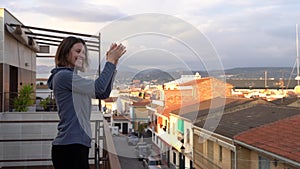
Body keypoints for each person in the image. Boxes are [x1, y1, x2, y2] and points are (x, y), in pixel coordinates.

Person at [47, 36, 126, 169]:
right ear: (65, 53)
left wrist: (113, 65)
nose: (82, 56)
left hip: (74, 146)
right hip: (70, 148)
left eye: (84, 52)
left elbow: (102, 93)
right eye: (78, 51)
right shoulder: (64, 77)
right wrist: (110, 62)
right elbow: (99, 87)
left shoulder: (72, 78)